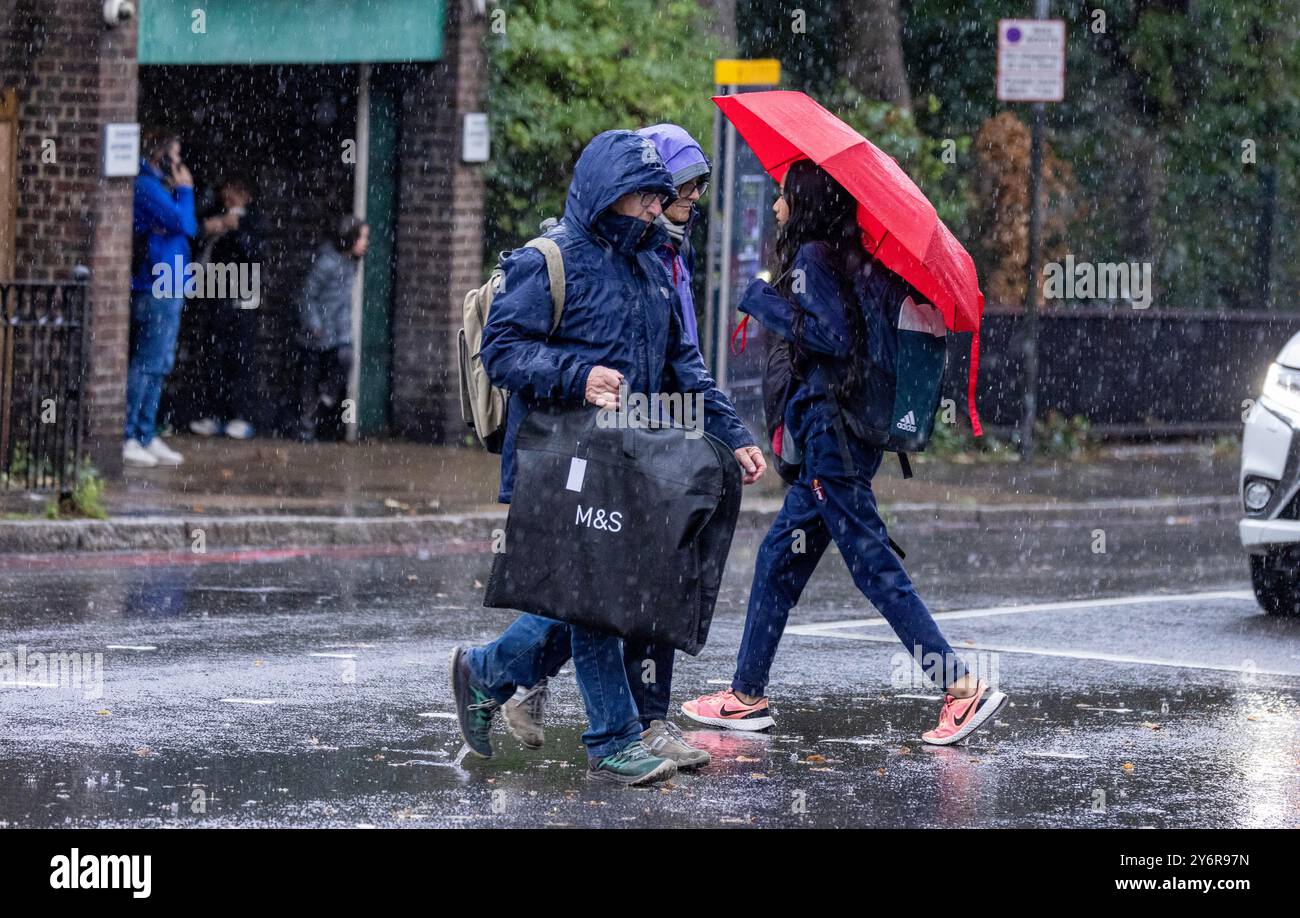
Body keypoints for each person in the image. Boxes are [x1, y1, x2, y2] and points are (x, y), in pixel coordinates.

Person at [449, 129, 766, 786]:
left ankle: (486, 673)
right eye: (644, 198)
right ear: (607, 194)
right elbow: (502, 354)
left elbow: (684, 365)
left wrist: (732, 432)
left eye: (659, 198)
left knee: (592, 596)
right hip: (563, 462)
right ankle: (613, 737)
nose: (658, 209)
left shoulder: (652, 265)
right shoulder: (550, 260)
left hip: (629, 463)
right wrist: (578, 375)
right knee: (597, 595)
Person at [681, 160, 1009, 746]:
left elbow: (831, 338)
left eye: (783, 197)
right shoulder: (853, 257)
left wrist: (764, 301)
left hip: (833, 440)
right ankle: (746, 695)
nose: (777, 207)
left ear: (803, 205)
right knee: (778, 562)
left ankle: (961, 686)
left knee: (871, 565)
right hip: (840, 437)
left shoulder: (813, 257)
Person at [124, 127, 198, 468]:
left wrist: (181, 210)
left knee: (161, 362)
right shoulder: (147, 186)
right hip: (156, 283)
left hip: (172, 282)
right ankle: (129, 434)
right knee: (147, 362)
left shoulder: (159, 188)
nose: (180, 163)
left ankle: (145, 432)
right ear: (161, 155)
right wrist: (185, 193)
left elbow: (186, 226)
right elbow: (183, 222)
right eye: (176, 155)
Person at [189, 176, 265, 440]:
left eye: (233, 191)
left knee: (239, 356)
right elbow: (198, 242)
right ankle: (214, 413)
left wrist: (237, 231)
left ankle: (239, 415)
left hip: (241, 295)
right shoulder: (214, 214)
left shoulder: (253, 219)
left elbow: (255, 253)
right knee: (214, 354)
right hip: (215, 293)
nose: (227, 197)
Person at [297, 215, 367, 442]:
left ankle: (323, 408)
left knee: (342, 362)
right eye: (362, 238)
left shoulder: (349, 264)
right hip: (318, 334)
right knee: (310, 379)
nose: (365, 243)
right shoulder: (327, 264)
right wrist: (315, 325)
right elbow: (307, 296)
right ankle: (307, 426)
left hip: (337, 333)